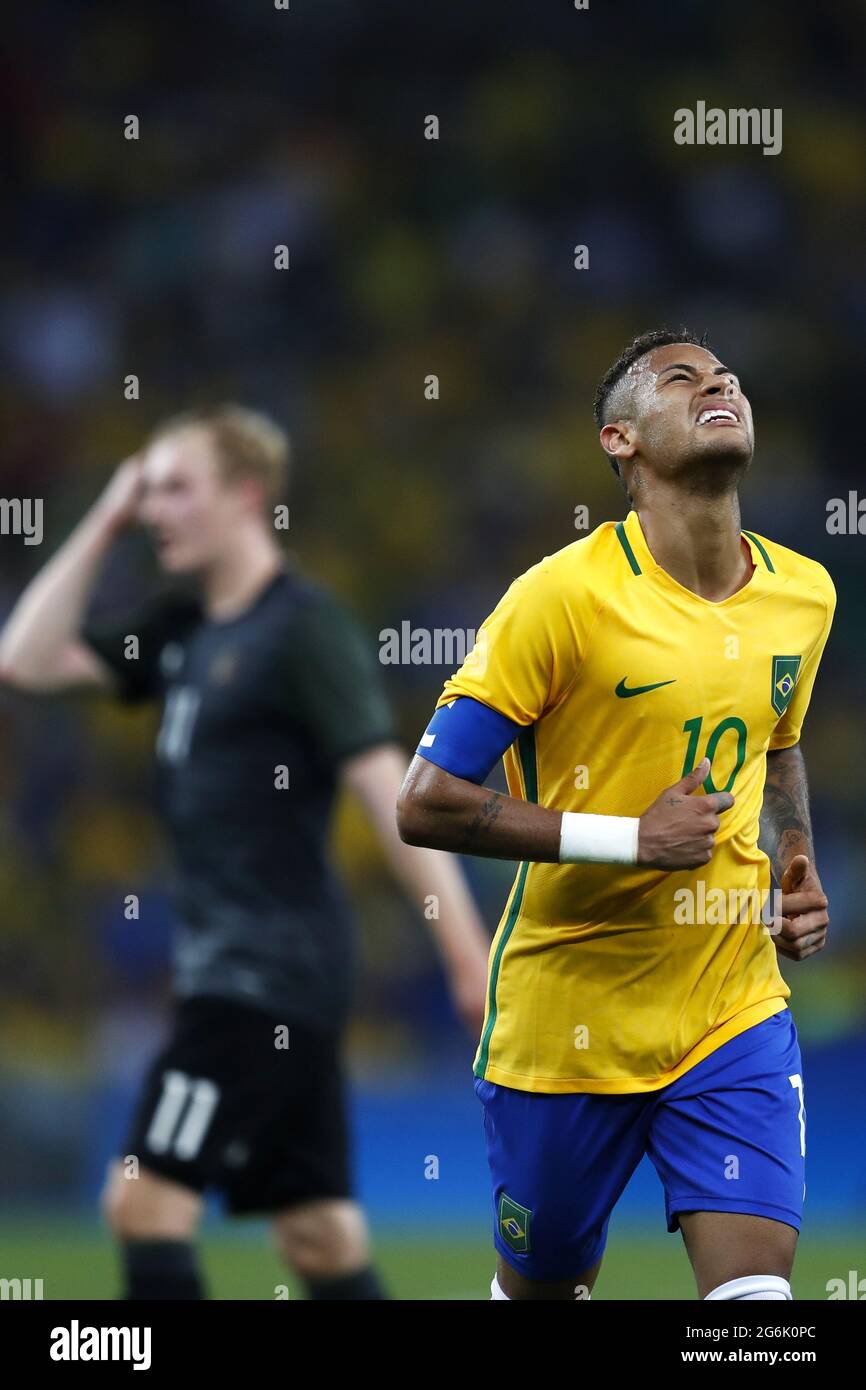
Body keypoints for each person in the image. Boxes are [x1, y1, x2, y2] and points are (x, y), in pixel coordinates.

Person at [0, 405, 490, 1300]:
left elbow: (393, 795)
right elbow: (24, 659)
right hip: (254, 976)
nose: (156, 511)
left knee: (142, 1204)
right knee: (318, 1234)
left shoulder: (303, 628)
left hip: (260, 977)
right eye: (148, 492)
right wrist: (108, 513)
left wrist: (464, 954)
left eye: (175, 488)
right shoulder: (185, 625)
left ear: (248, 495)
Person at [397, 329, 835, 1302]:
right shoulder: (558, 599)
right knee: (543, 1285)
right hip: (566, 1016)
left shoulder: (804, 593)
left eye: (723, 374)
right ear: (619, 440)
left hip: (728, 1002)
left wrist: (794, 849)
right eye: (678, 380)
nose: (714, 382)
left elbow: (776, 737)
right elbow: (422, 804)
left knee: (756, 1299)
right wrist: (630, 840)